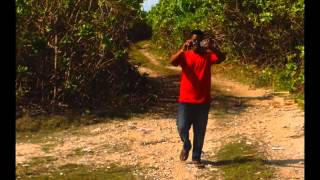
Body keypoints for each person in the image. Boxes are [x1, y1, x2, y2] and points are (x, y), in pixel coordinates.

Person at [170, 29, 226, 167]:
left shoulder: (207, 56)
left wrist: (212, 47)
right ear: (190, 40)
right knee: (182, 126)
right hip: (185, 100)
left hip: (203, 101)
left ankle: (196, 158)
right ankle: (186, 144)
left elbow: (222, 58)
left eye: (199, 41)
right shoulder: (185, 55)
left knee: (200, 131)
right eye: (194, 40)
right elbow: (172, 62)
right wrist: (182, 49)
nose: (196, 43)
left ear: (203, 42)